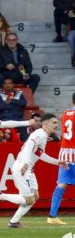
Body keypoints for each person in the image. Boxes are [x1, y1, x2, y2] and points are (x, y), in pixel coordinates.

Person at [0, 113, 68, 228]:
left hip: (29, 170)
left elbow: (39, 154)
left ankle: (14, 222)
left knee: (34, 197)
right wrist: (26, 163)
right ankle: (1, 196)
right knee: (28, 199)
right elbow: (29, 146)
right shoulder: (39, 134)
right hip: (22, 167)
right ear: (45, 124)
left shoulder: (43, 136)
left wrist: (57, 162)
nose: (56, 125)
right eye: (54, 123)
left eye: (57, 123)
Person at [47, 93, 75, 225]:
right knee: (62, 185)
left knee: (62, 185)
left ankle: (52, 216)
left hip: (64, 153)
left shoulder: (65, 114)